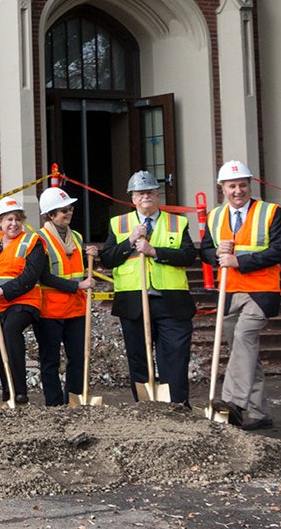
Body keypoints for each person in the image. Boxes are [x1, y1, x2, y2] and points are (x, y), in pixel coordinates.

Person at [199, 160, 281, 430]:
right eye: (232, 186)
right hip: (230, 292)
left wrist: (240, 261)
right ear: (222, 188)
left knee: (244, 337)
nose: (237, 190)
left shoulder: (271, 212)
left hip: (260, 291)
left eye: (242, 185)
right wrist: (216, 253)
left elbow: (280, 250)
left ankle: (233, 404)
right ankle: (260, 413)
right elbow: (203, 251)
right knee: (244, 352)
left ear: (250, 185)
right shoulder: (215, 216)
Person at [99, 171, 196, 407]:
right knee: (139, 358)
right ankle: (146, 406)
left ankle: (176, 405)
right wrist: (130, 240)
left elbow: (188, 255)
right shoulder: (119, 223)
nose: (146, 197)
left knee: (174, 356)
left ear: (158, 195)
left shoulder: (177, 222)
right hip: (133, 302)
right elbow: (108, 259)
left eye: (150, 192)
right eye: (140, 193)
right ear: (132, 198)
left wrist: (155, 252)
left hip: (171, 301)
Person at [0, 196, 50, 404]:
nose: (14, 224)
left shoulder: (32, 241)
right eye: (8, 219)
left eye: (17, 219)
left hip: (24, 301)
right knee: (1, 347)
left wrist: (3, 290)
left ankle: (20, 390)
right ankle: (8, 393)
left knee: (10, 331)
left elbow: (31, 275)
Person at [34, 187, 98, 407]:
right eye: (63, 211)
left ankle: (74, 400)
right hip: (50, 310)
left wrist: (92, 258)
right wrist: (77, 285)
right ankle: (53, 404)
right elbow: (44, 276)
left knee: (78, 358)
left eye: (69, 209)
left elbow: (79, 268)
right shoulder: (39, 239)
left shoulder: (77, 237)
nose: (68, 213)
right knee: (50, 361)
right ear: (50, 215)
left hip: (76, 309)